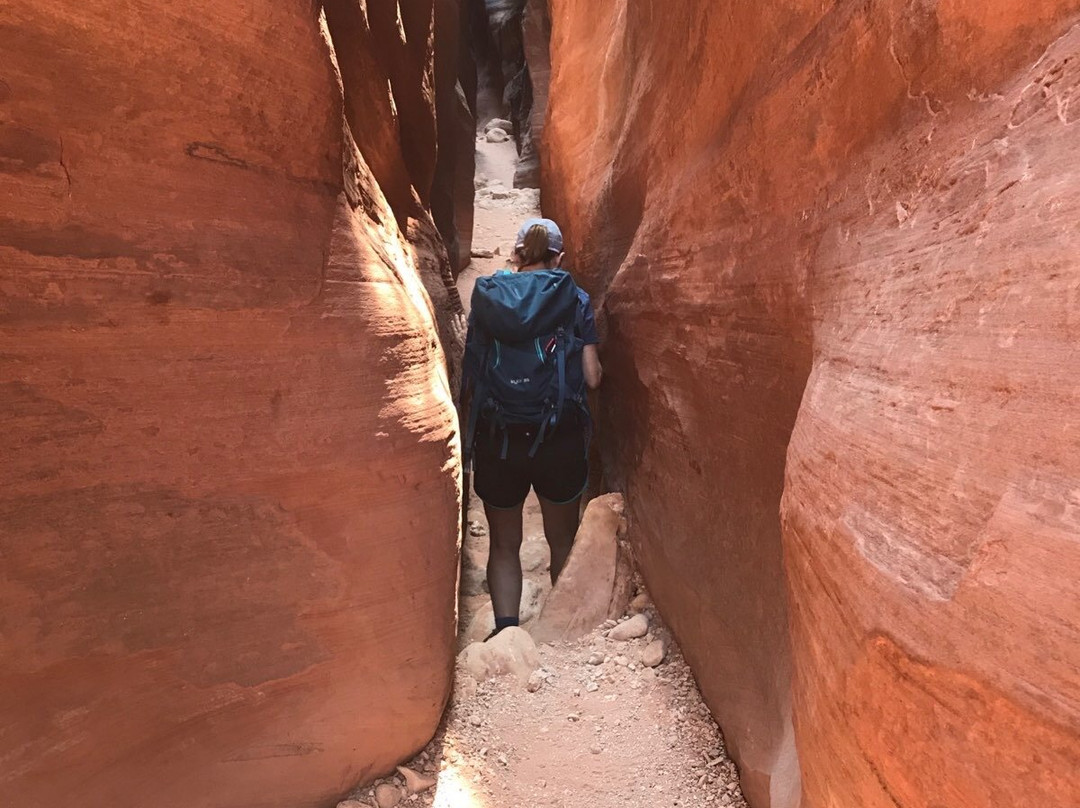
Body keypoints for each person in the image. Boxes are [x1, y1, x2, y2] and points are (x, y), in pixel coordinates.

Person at [461, 217, 602, 639]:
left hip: (499, 439)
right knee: (562, 539)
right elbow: (592, 377)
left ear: (518, 253)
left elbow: (473, 372)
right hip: (557, 436)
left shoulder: (489, 298)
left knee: (505, 543)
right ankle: (563, 633)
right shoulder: (575, 299)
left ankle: (507, 634)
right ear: (558, 256)